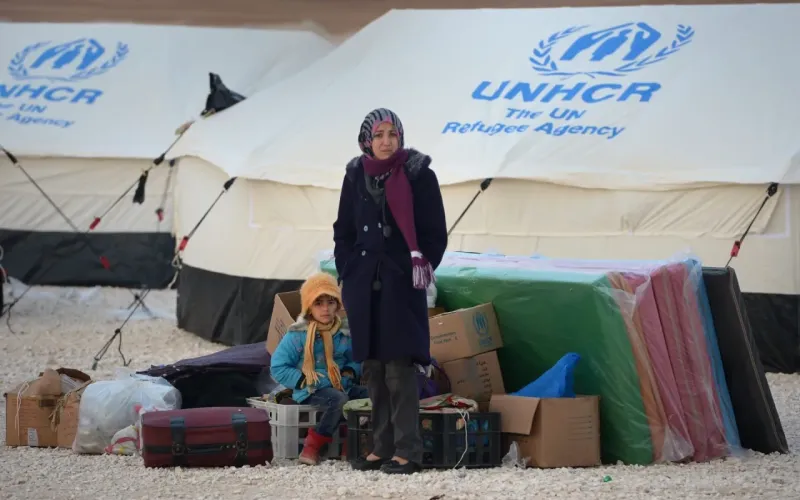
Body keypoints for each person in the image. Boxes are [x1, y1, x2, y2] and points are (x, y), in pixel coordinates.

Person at [333, 108, 448, 474]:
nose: (386, 142)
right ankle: (381, 446)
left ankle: (407, 450)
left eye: (392, 135)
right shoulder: (355, 174)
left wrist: (415, 265)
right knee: (372, 366)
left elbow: (435, 233)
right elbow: (343, 230)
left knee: (399, 366)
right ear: (367, 140)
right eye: (379, 135)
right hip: (363, 284)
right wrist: (349, 269)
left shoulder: (418, 174)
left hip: (401, 283)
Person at [270, 272, 368, 466]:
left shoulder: (344, 332)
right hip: (311, 388)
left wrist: (350, 370)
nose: (325, 309)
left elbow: (356, 358)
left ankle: (354, 442)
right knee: (339, 400)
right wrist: (302, 380)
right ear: (309, 307)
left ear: (337, 305)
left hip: (342, 383)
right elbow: (278, 366)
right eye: (318, 303)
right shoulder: (297, 335)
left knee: (373, 395)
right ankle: (313, 445)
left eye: (330, 302)